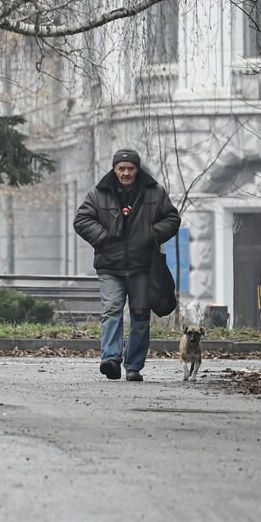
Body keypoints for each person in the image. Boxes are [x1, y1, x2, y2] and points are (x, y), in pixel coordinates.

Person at [73, 149, 180, 381]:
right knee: (111, 311)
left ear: (137, 170)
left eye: (130, 168)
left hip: (143, 266)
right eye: (121, 168)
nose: (126, 173)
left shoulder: (155, 192)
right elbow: (81, 220)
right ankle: (110, 360)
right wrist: (102, 237)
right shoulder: (98, 194)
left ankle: (134, 366)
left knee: (141, 315)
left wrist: (152, 234)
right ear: (114, 169)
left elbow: (172, 218)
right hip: (110, 266)